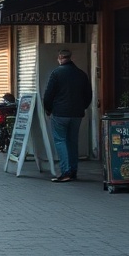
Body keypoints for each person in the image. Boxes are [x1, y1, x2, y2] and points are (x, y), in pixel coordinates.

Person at [42, 48, 93, 183]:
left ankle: (65, 172)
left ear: (59, 57)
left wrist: (48, 108)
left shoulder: (56, 73)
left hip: (60, 113)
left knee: (60, 141)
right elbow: (88, 95)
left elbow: (48, 94)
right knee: (72, 141)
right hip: (77, 114)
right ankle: (73, 170)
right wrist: (82, 107)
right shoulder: (81, 74)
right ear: (71, 58)